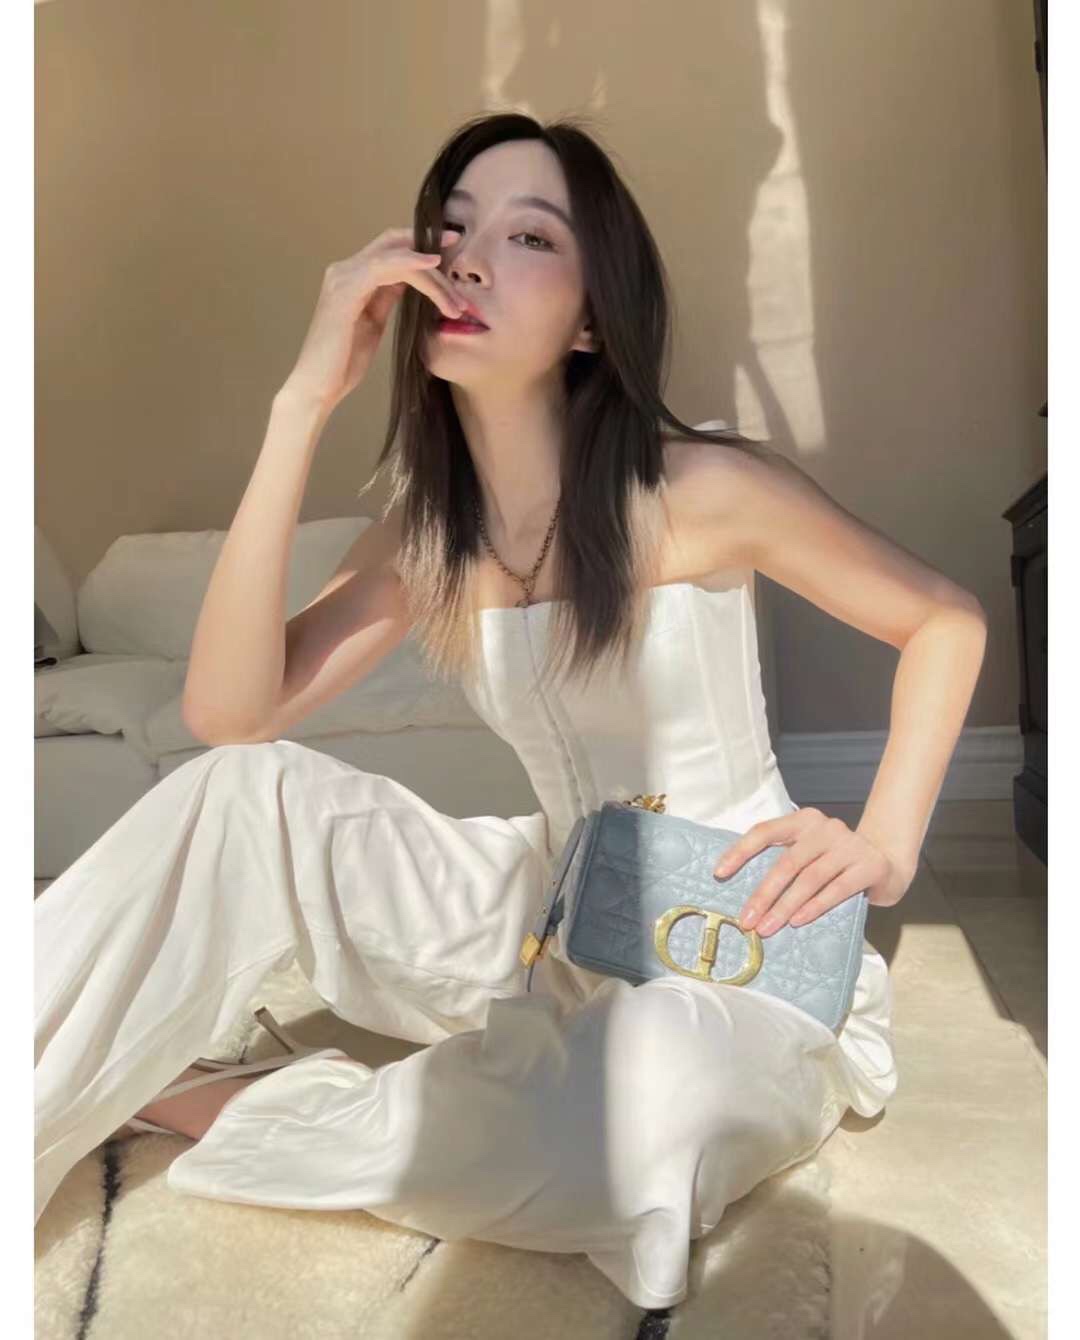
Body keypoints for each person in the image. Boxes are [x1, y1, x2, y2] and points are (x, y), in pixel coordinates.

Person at [35, 111, 987, 1311]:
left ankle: (227, 1102)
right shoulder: (429, 536)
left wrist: (884, 844)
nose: (473, 260)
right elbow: (230, 713)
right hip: (540, 916)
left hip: (723, 941)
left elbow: (945, 619)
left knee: (640, 1120)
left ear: (591, 317)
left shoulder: (700, 488)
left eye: (529, 236)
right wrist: (301, 400)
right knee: (238, 790)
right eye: (454, 229)